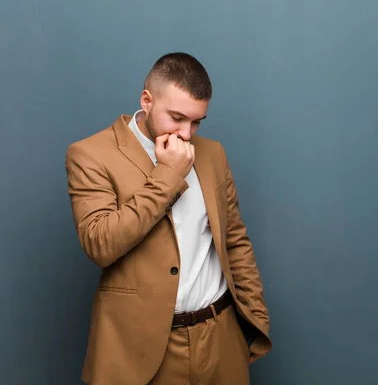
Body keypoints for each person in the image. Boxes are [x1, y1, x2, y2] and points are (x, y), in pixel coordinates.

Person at [65, 52, 272, 384]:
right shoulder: (90, 155)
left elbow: (234, 239)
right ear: (147, 101)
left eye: (196, 121)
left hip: (221, 340)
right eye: (176, 117)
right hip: (140, 351)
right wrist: (168, 176)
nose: (187, 133)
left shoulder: (213, 153)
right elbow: (100, 243)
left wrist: (255, 315)